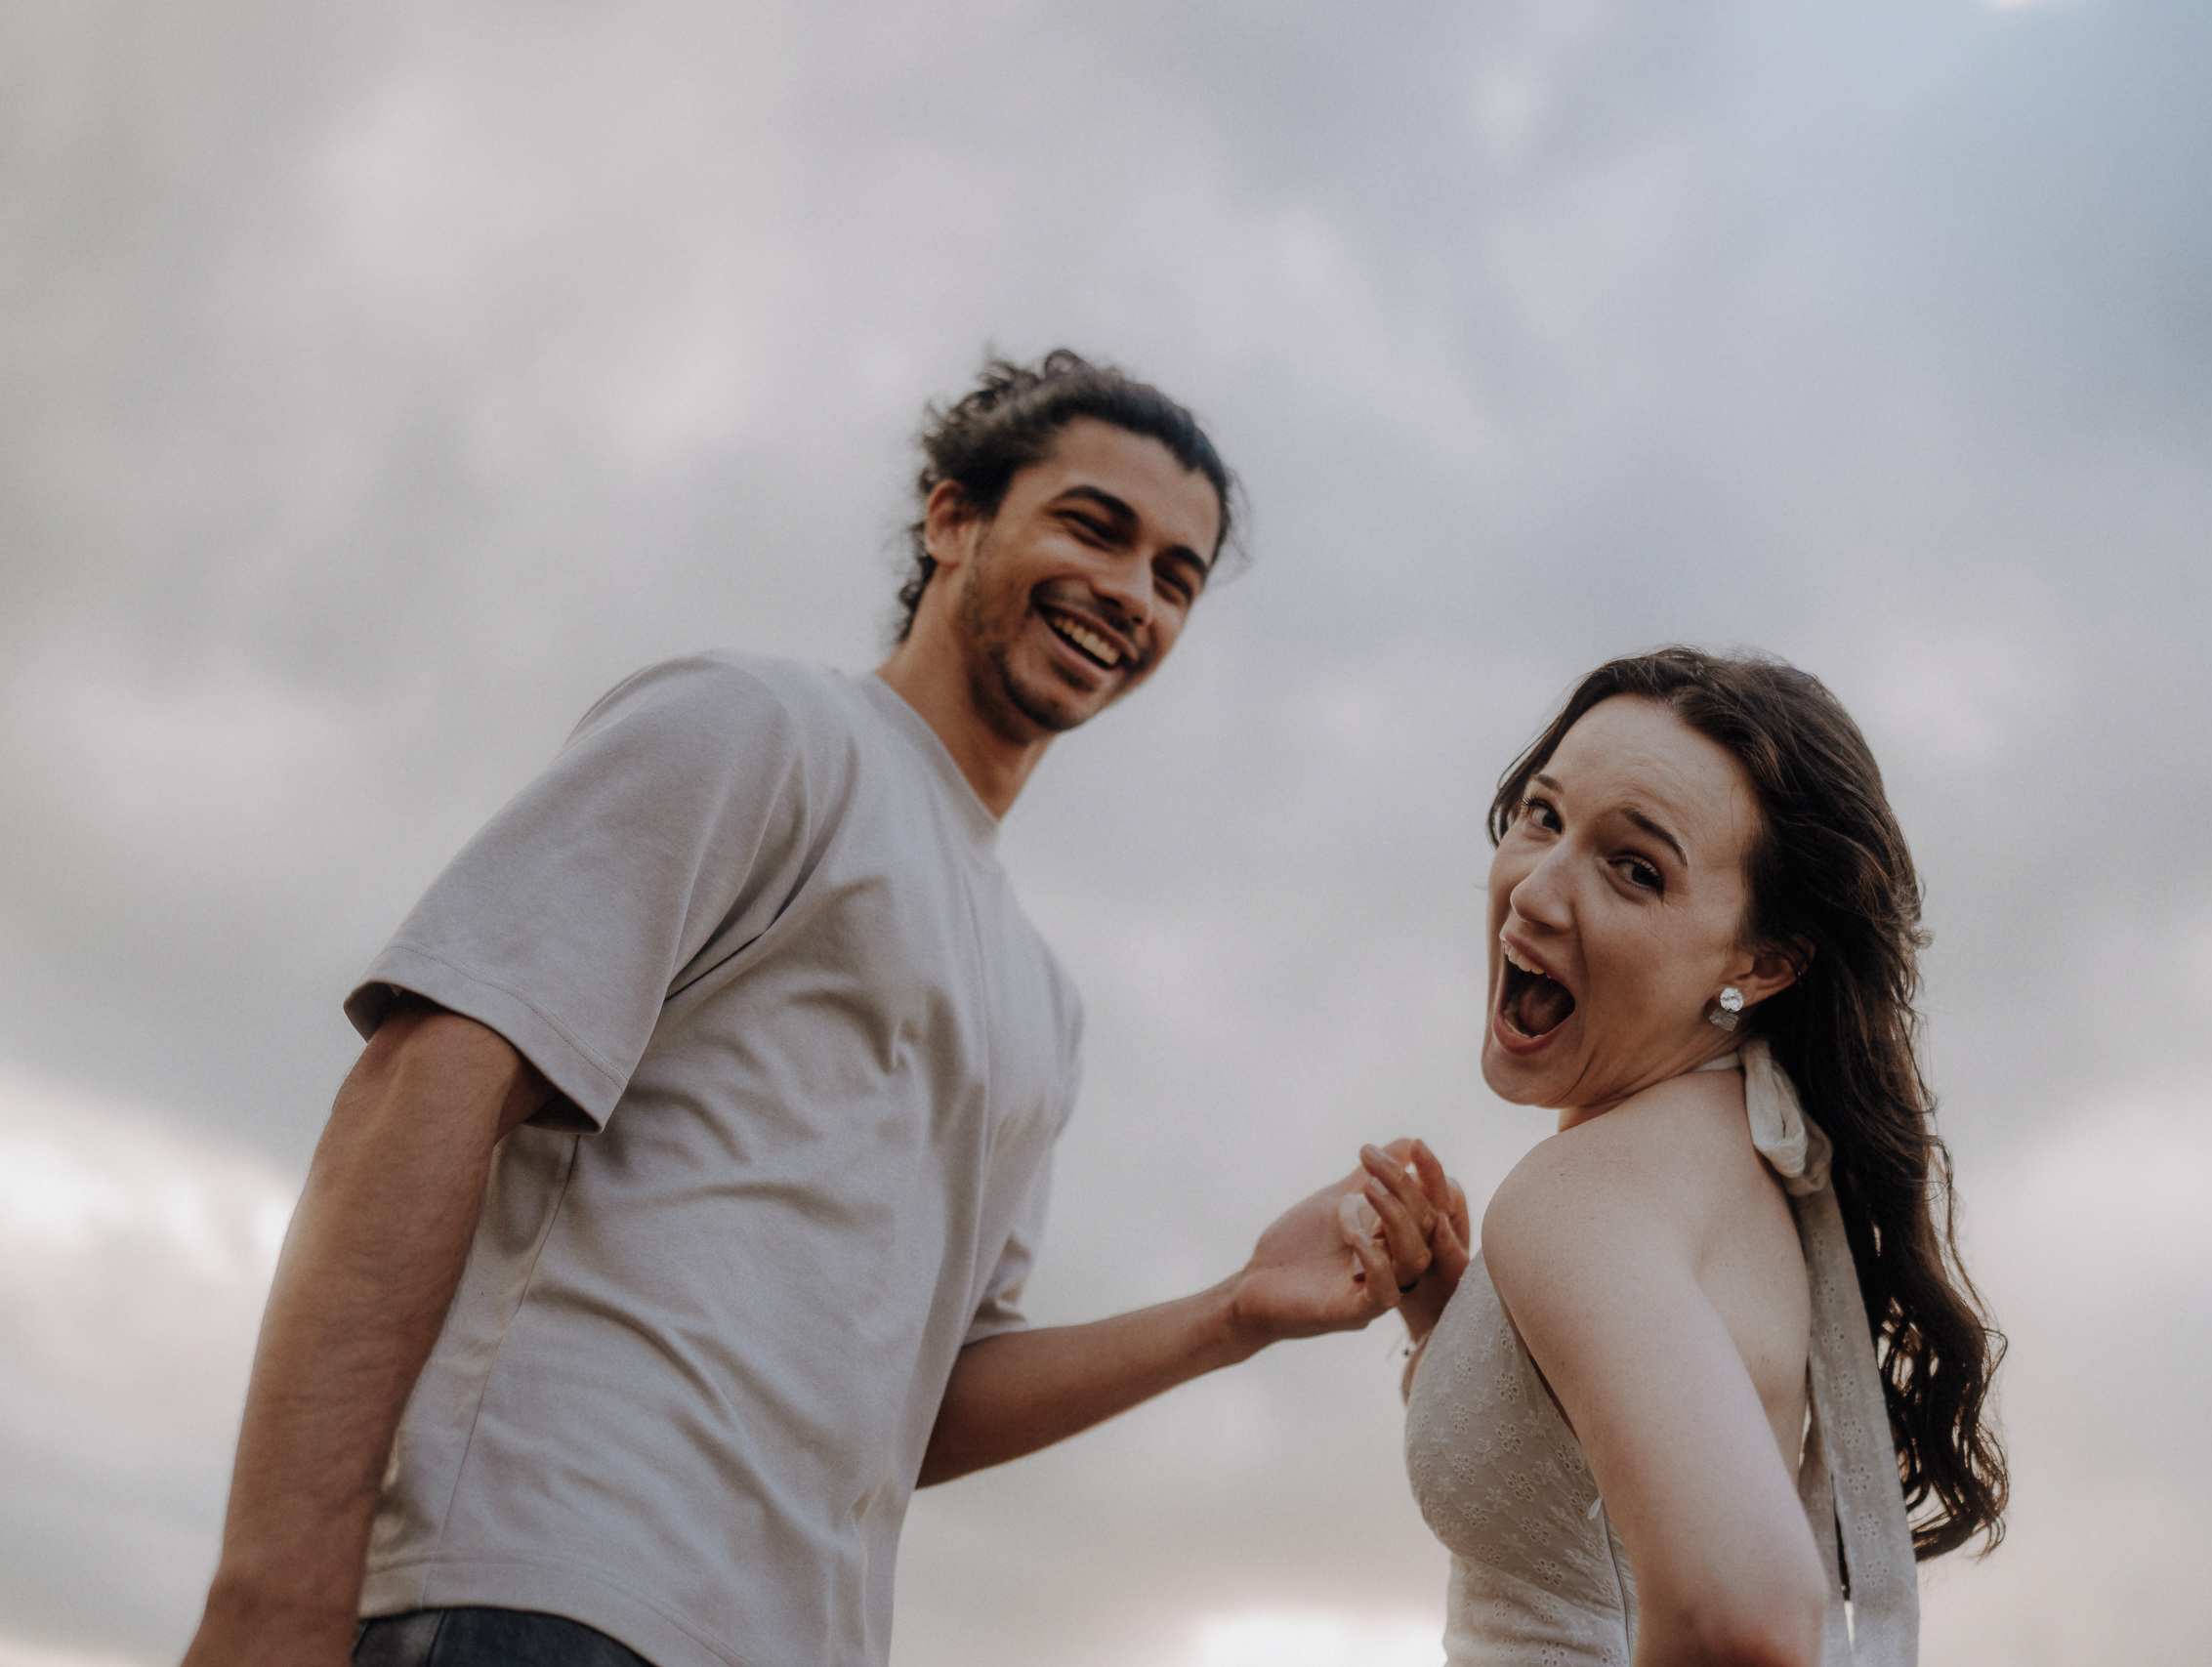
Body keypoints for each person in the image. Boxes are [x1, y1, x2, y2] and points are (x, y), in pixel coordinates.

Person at [179, 352, 1444, 1667]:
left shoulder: (1044, 1001)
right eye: (1093, 524)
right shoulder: (762, 729)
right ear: (952, 517)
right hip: (544, 1590)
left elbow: (928, 1397)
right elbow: (419, 1086)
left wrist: (1233, 1308)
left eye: (1175, 575)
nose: (1132, 590)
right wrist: (272, 1593)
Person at [1362, 647, 2009, 1667]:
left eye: (1634, 869)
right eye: (1542, 815)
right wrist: (1450, 1326)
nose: (1534, 893)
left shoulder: (1583, 1195)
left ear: (1761, 962)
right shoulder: (1746, 1163)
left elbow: (1742, 1618)